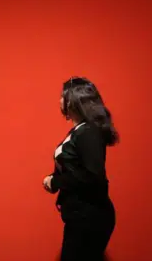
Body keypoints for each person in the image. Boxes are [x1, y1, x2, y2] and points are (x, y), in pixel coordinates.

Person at [42, 77, 118, 261]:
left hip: (90, 217)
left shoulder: (88, 132)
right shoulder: (80, 130)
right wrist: (54, 179)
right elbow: (77, 169)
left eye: (63, 96)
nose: (59, 101)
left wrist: (56, 181)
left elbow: (93, 176)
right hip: (80, 216)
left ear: (74, 100)